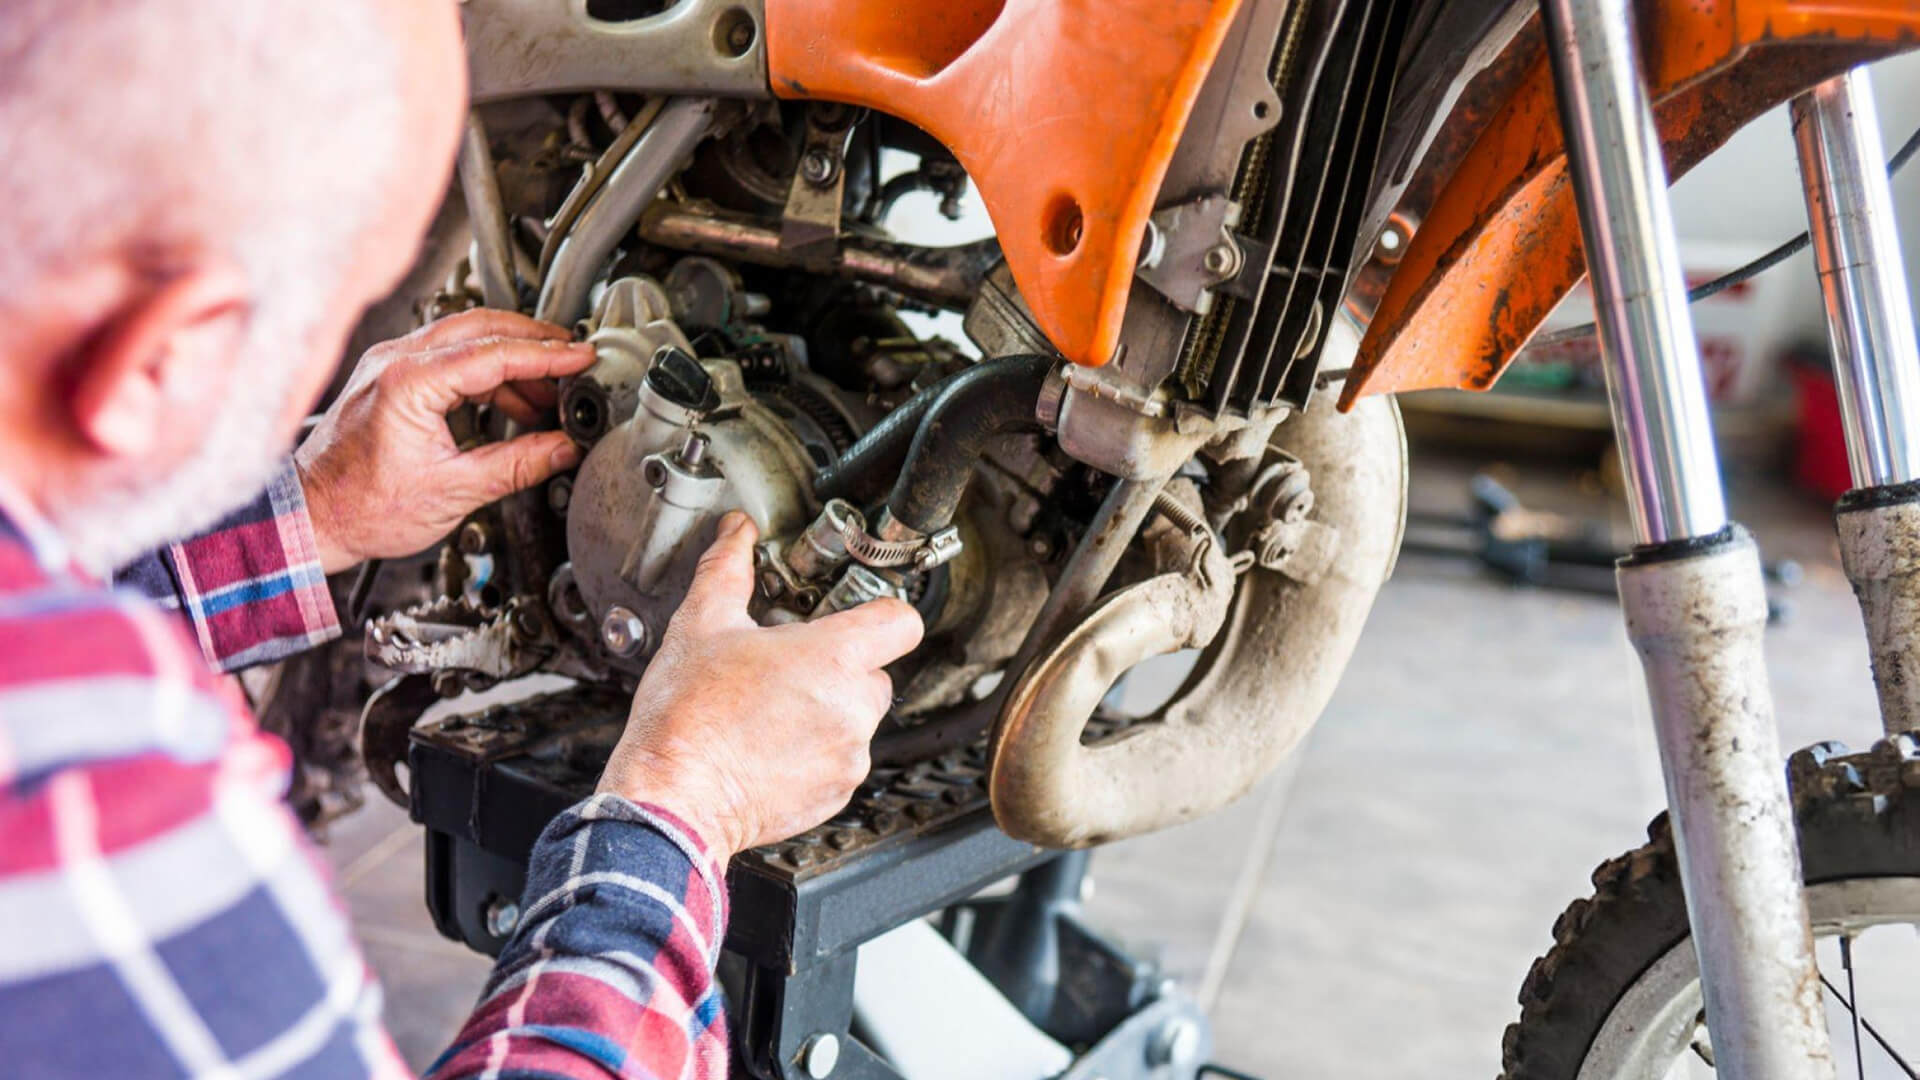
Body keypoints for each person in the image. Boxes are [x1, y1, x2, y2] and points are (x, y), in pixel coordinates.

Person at [0, 1, 923, 1076]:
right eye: (331, 321)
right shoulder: (85, 796)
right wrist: (685, 801)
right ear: (165, 356)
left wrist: (313, 509)